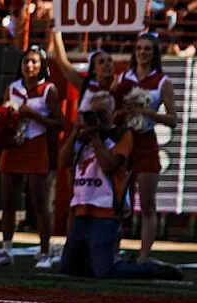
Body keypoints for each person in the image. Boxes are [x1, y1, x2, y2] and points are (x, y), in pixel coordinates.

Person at [57, 105, 182, 280]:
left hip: (106, 211)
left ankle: (151, 270)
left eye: (100, 113)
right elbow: (62, 162)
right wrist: (75, 132)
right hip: (81, 210)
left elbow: (109, 166)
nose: (94, 118)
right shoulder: (81, 139)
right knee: (69, 268)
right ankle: (103, 262)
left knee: (106, 271)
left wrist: (95, 137)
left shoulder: (121, 136)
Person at [111, 33, 176, 263]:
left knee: (147, 203)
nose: (142, 52)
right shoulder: (123, 77)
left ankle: (144, 255)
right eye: (139, 48)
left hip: (147, 141)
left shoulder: (161, 81)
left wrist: (148, 113)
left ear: (154, 52)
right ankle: (113, 250)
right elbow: (112, 111)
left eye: (147, 49)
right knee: (116, 201)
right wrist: (122, 113)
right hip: (125, 141)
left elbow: (172, 119)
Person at [0, 46, 64, 267]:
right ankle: (6, 250)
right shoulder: (12, 88)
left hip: (37, 144)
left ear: (42, 66)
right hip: (14, 145)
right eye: (26, 62)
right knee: (7, 199)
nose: (30, 66)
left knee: (39, 202)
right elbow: (3, 115)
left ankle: (45, 252)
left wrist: (35, 115)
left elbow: (60, 123)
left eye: (35, 62)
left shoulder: (49, 90)